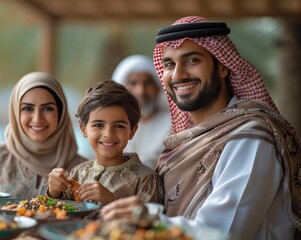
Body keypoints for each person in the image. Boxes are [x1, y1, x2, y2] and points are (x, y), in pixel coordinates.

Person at [100, 16, 301, 239]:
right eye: (169, 64)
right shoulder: (183, 140)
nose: (178, 75)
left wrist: (147, 218)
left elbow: (221, 233)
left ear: (223, 66)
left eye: (192, 60)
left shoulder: (250, 137)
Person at [47, 80, 159, 205]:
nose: (108, 134)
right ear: (84, 130)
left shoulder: (145, 178)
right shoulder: (77, 174)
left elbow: (152, 219)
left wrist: (112, 201)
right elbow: (60, 213)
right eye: (98, 125)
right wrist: (54, 192)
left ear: (132, 131)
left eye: (119, 126)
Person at [112, 55, 171, 169]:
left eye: (147, 83)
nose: (141, 91)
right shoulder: (114, 124)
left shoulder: (172, 123)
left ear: (158, 87)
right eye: (133, 83)